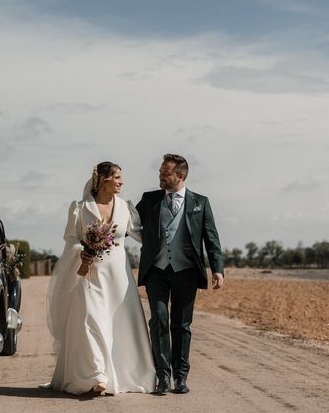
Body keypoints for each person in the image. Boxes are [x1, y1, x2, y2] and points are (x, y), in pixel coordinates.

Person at [46, 161, 155, 395]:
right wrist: (81, 251)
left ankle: (124, 373)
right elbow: (71, 238)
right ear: (103, 179)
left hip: (118, 275)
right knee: (89, 318)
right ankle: (97, 375)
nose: (121, 182)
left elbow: (140, 235)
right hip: (89, 272)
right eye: (117, 177)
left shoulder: (126, 207)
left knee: (118, 321)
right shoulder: (80, 207)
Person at [136, 154, 224, 395]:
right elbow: (128, 223)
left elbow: (211, 238)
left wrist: (217, 269)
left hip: (186, 271)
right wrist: (103, 236)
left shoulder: (200, 202)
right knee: (160, 319)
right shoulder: (150, 199)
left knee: (182, 325)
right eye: (160, 172)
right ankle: (162, 376)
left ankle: (181, 377)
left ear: (180, 176)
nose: (160, 176)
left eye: (165, 173)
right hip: (157, 271)